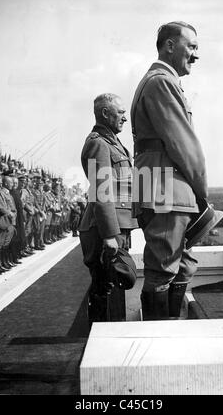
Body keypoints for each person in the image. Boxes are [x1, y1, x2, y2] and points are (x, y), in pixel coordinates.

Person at [131, 21, 207, 320]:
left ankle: (170, 335)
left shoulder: (160, 81)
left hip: (165, 187)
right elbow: (183, 144)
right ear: (170, 46)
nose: (196, 55)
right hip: (167, 189)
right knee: (164, 269)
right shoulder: (161, 81)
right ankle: (158, 343)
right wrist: (202, 191)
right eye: (192, 46)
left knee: (181, 264)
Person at [79, 93, 138, 325]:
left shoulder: (112, 142)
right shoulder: (98, 143)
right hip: (106, 229)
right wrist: (110, 234)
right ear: (105, 113)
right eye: (121, 113)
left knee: (114, 286)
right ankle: (99, 342)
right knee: (106, 288)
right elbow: (102, 192)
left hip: (116, 226)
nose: (125, 118)